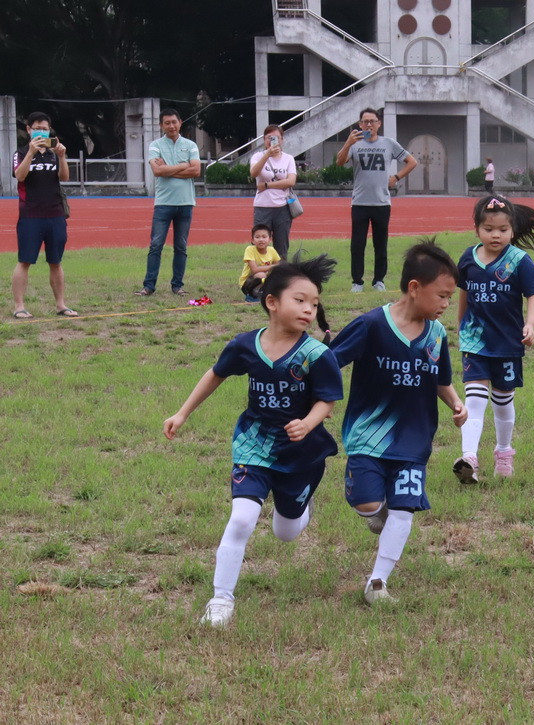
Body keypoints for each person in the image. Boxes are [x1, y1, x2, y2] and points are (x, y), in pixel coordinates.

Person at [163, 254, 341, 627]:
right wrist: (182, 413)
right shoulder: (245, 345)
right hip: (254, 444)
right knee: (242, 519)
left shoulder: (316, 354)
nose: (309, 309)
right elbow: (215, 374)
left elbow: (327, 401)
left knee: (286, 531)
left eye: (314, 303)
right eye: (300, 300)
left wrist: (308, 424)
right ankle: (221, 600)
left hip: (301, 454)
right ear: (271, 302)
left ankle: (298, 507)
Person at [330, 240, 467, 605]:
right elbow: (330, 362)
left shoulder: (436, 335)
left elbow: (440, 379)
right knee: (368, 505)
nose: (445, 304)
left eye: (450, 297)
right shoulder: (372, 324)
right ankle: (378, 512)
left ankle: (377, 583)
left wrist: (455, 401)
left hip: (414, 439)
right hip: (367, 436)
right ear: (414, 288)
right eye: (442, 296)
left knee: (405, 509)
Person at [452, 195, 534, 484]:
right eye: (488, 229)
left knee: (502, 400)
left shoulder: (519, 261)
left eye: (502, 230)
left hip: (508, 343)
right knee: (474, 397)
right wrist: (460, 325)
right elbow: (464, 293)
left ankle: (504, 451)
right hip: (474, 341)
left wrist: (530, 325)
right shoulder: (467, 259)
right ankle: (469, 457)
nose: (495, 235)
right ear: (476, 230)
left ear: (512, 230)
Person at [335, 107, 419, 293]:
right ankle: (357, 282)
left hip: (381, 202)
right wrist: (348, 143)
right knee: (357, 245)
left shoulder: (388, 143)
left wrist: (396, 178)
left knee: (380, 244)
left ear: (379, 123)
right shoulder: (355, 144)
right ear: (360, 124)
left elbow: (412, 161)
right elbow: (340, 162)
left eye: (372, 121)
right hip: (360, 202)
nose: (369, 125)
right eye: (365, 121)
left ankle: (379, 280)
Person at [11, 111, 76, 319]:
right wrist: (30, 152)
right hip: (30, 215)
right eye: (37, 128)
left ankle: (61, 305)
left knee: (56, 261)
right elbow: (19, 176)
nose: (41, 131)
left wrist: (62, 156)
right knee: (25, 261)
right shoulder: (20, 152)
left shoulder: (53, 153)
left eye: (45, 128)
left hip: (55, 214)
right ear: (29, 129)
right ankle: (19, 306)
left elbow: (64, 177)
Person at [136, 109, 201, 297]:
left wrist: (168, 168)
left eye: (174, 122)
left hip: (186, 203)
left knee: (181, 246)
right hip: (163, 203)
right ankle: (149, 286)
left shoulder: (190, 145)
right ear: (161, 125)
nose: (171, 126)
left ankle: (177, 285)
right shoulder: (155, 145)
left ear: (180, 122)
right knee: (156, 245)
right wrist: (183, 165)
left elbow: (196, 171)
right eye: (167, 123)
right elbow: (157, 171)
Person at [249, 125, 297, 257]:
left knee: (281, 248)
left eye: (276, 138)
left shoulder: (288, 159)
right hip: (262, 207)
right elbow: (254, 173)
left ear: (282, 140)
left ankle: (280, 276)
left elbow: (291, 181)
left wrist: (267, 185)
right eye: (269, 138)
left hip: (282, 207)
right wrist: (267, 155)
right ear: (264, 140)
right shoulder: (257, 156)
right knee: (259, 245)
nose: (272, 141)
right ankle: (259, 275)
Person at [239, 224, 282, 302]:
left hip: (263, 282)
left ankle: (266, 295)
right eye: (257, 237)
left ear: (270, 239)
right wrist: (273, 267)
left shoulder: (271, 250)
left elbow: (279, 266)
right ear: (252, 240)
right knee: (261, 274)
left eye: (264, 237)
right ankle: (251, 296)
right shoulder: (250, 250)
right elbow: (255, 270)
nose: (261, 239)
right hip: (248, 284)